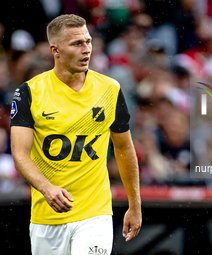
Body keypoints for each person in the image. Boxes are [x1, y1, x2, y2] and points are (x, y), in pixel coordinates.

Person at [10, 14, 141, 255]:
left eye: (88, 41)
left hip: (95, 214)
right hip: (47, 217)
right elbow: (20, 154)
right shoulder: (29, 92)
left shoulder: (110, 89)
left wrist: (135, 205)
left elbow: (124, 148)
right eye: (77, 44)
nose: (87, 49)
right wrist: (47, 188)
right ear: (55, 50)